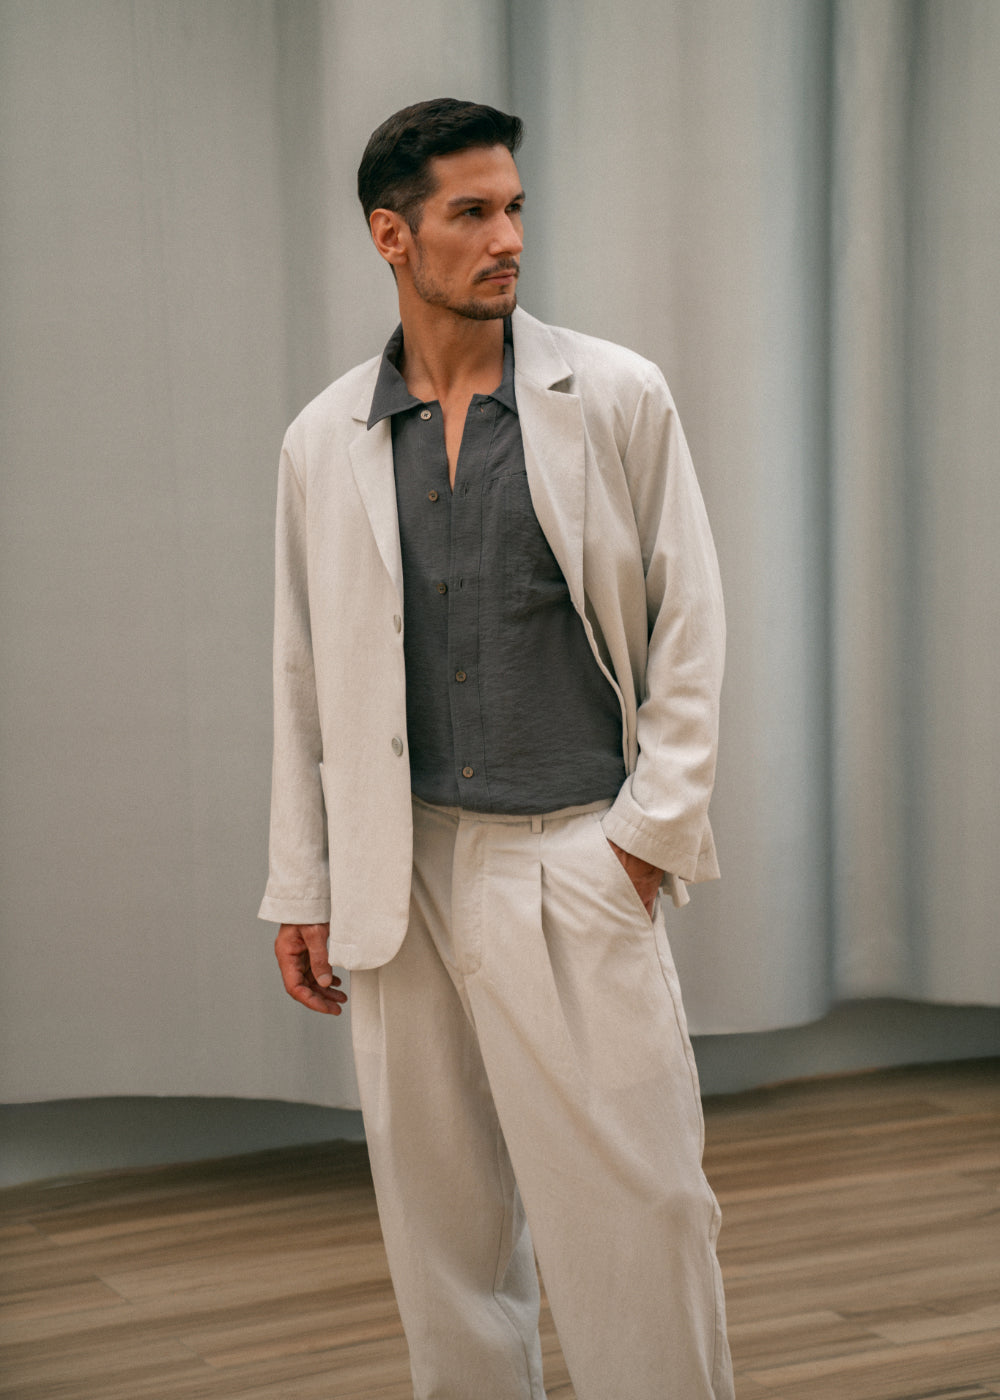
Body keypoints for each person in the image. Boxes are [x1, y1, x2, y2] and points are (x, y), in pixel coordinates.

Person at [259, 97, 734, 1400]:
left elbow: (693, 625)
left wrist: (644, 842)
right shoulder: (322, 440)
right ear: (392, 236)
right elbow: (301, 674)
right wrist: (302, 883)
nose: (508, 237)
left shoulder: (615, 395)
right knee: (443, 1231)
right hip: (399, 874)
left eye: (515, 207)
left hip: (573, 858)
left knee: (642, 1216)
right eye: (472, 213)